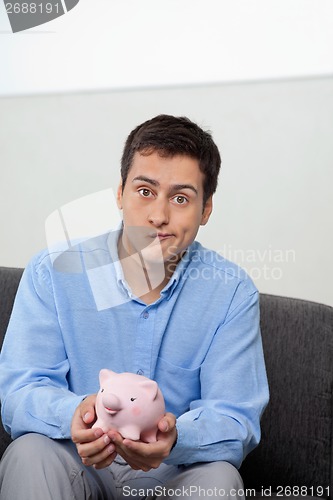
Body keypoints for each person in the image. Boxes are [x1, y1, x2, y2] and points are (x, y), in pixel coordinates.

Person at [0, 114, 269, 499]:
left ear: (206, 210)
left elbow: (235, 417)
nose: (158, 216)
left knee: (221, 480)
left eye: (181, 198)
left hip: (174, 473)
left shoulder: (232, 292)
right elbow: (19, 390)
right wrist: (76, 414)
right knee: (28, 453)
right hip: (77, 463)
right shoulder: (53, 272)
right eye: (145, 191)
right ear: (120, 193)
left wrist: (175, 438)